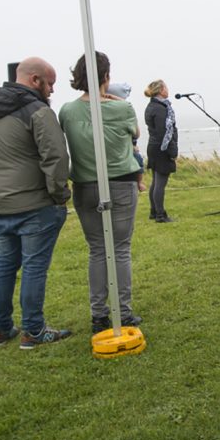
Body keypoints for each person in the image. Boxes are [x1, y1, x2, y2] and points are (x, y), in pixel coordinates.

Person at [0, 56, 72, 349]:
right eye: (50, 83)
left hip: (1, 203)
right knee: (33, 267)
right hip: (36, 206)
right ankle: (34, 330)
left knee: (3, 266)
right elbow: (55, 157)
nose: (52, 90)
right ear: (34, 80)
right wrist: (59, 195)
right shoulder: (38, 112)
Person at [59, 52, 143, 334]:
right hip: (121, 183)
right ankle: (124, 311)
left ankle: (98, 314)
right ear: (106, 76)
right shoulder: (123, 108)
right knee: (120, 249)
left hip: (85, 185)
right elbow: (136, 134)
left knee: (97, 250)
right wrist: (114, 98)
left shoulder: (67, 112)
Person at [144, 80, 178, 223]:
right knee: (160, 183)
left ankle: (153, 211)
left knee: (155, 181)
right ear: (161, 90)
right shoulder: (160, 108)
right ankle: (160, 214)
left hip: (153, 146)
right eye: (166, 87)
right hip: (161, 148)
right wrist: (172, 151)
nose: (168, 89)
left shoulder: (152, 106)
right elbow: (165, 132)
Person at [107, 82, 146, 192]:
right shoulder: (124, 110)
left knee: (138, 158)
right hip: (127, 146)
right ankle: (139, 182)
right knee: (138, 160)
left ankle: (139, 182)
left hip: (128, 144)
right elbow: (136, 133)